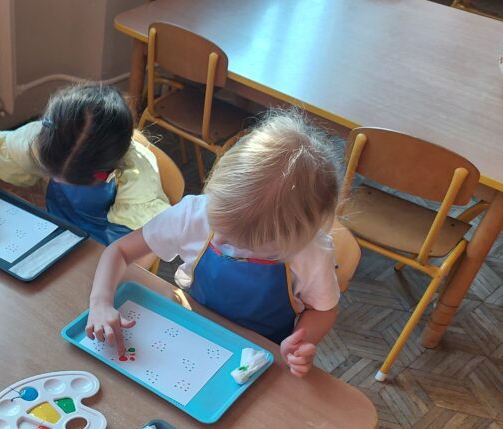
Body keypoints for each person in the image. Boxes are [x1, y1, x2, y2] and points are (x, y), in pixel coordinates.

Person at [87, 111, 343, 376]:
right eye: (217, 225)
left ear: (294, 238)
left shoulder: (311, 253)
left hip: (262, 355)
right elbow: (119, 251)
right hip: (194, 329)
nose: (218, 240)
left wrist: (301, 341)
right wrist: (100, 302)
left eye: (235, 241)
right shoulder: (193, 214)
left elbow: (322, 310)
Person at [0, 83, 171, 245]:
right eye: (51, 172)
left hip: (108, 247)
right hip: (60, 233)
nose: (56, 180)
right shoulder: (41, 138)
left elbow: (148, 246)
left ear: (103, 171)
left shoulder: (136, 181)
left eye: (69, 179)